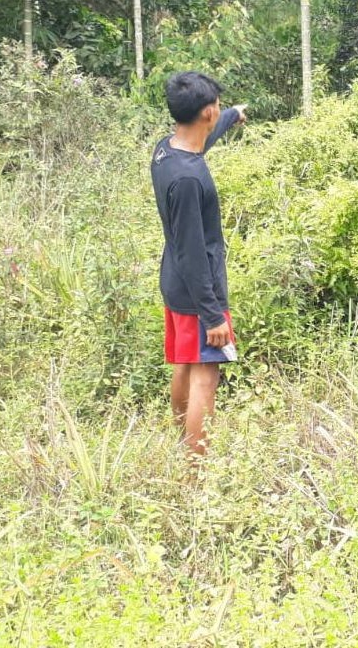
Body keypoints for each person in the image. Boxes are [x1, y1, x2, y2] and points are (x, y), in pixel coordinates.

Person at [150, 71, 247, 462]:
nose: (219, 112)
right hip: (197, 291)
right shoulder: (189, 181)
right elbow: (193, 252)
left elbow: (202, 140)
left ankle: (180, 445)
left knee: (186, 364)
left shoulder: (167, 150)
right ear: (206, 111)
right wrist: (213, 316)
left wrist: (233, 116)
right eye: (219, 109)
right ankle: (195, 471)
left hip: (174, 284)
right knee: (206, 376)